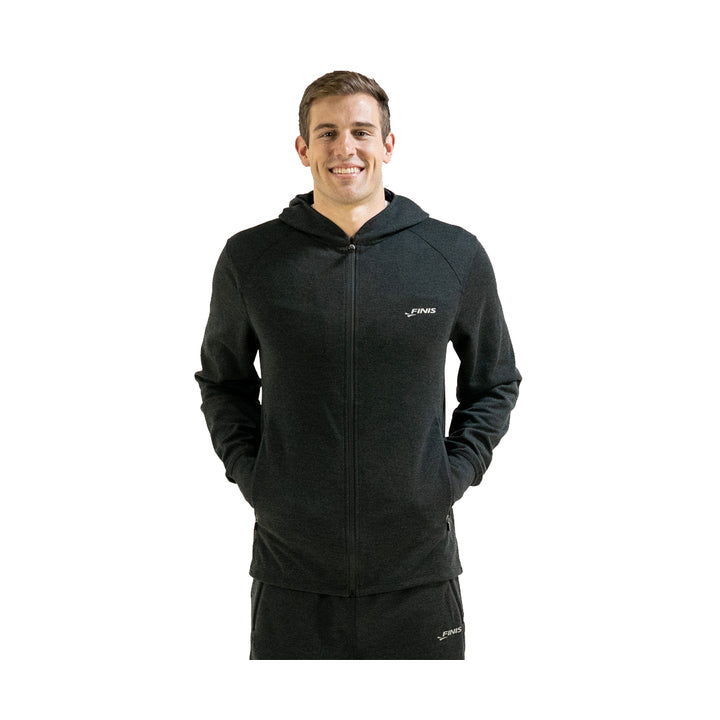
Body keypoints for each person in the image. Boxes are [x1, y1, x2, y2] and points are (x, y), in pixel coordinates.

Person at [195, 70, 521, 660]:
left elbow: (495, 381)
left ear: (387, 145)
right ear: (303, 149)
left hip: (418, 573)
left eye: (361, 132)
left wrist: (447, 478)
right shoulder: (252, 258)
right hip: (292, 576)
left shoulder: (452, 255)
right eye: (327, 133)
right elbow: (224, 382)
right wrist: (256, 477)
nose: (344, 147)